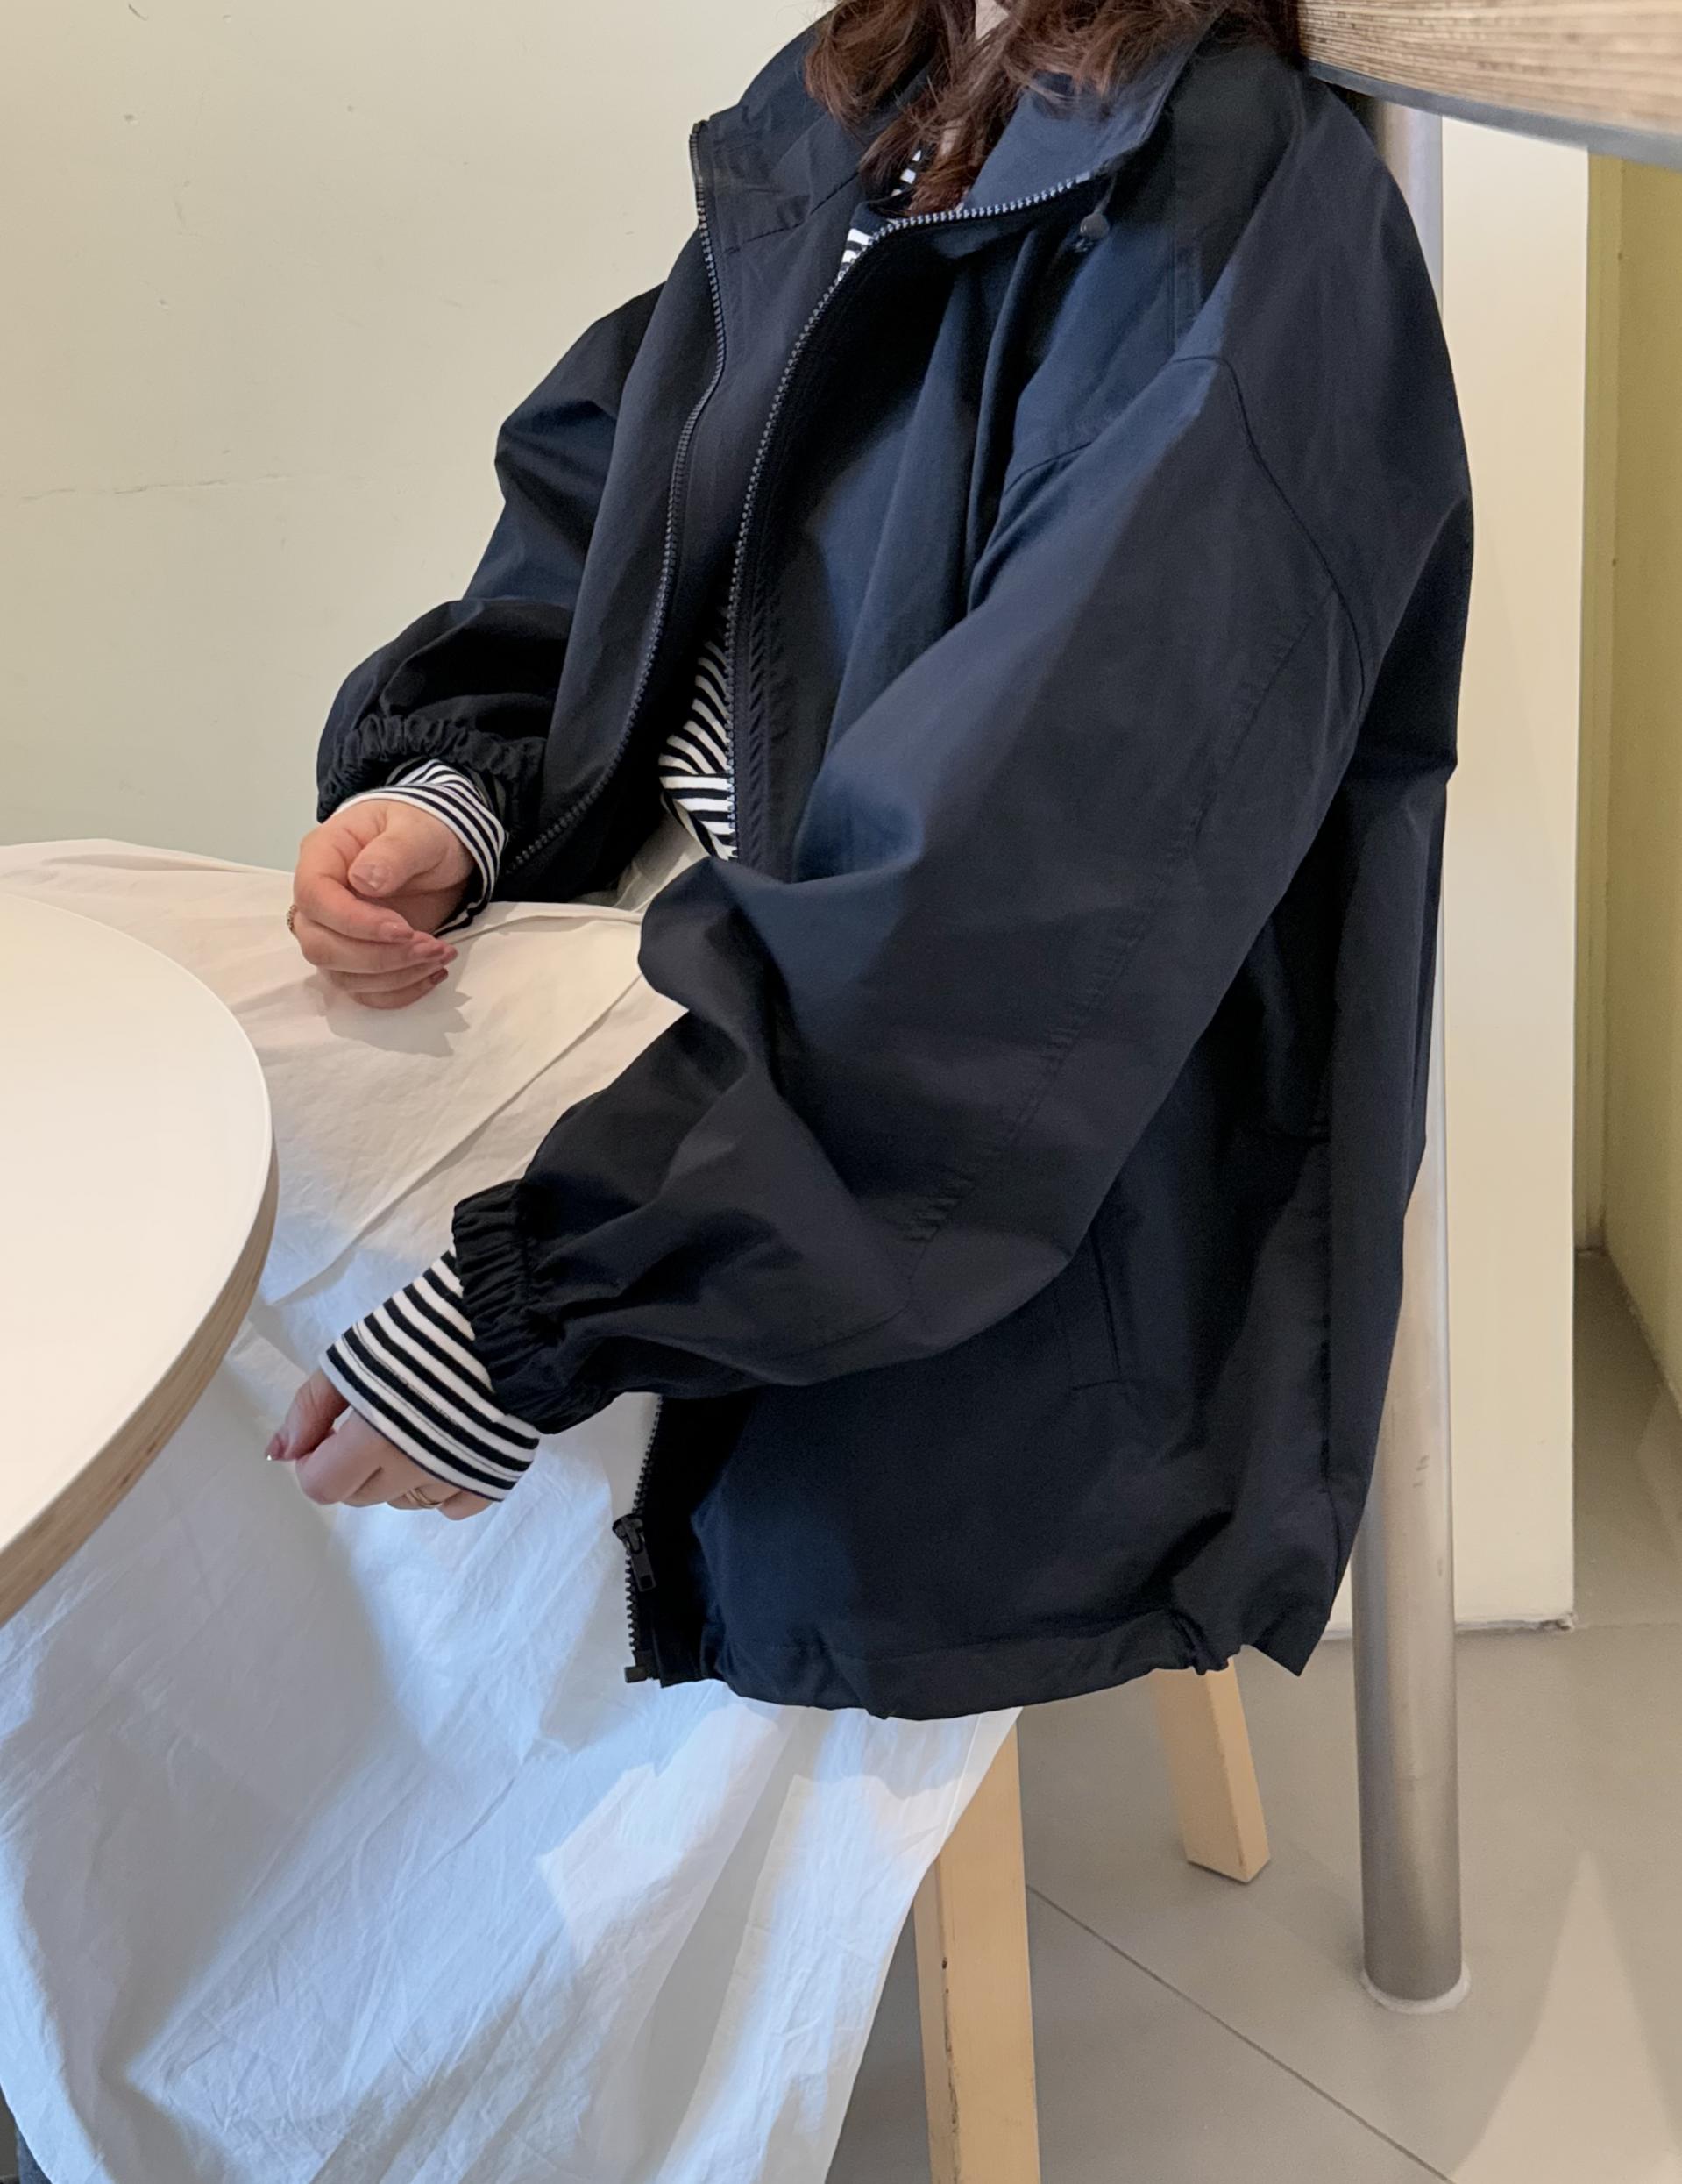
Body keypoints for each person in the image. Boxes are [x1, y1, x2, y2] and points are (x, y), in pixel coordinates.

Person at [4, 1, 1469, 2174]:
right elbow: (622, 506)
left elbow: (1017, 914)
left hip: (865, 1115)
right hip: (680, 970)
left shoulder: (1242, 209)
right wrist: (459, 785)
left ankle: (282, 2024)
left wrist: (550, 1301)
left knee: (132, 1157)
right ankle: (143, 1948)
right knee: (57, 969)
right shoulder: (866, 97)